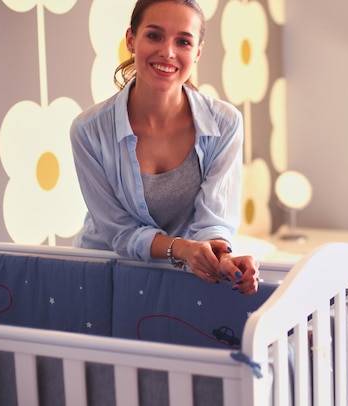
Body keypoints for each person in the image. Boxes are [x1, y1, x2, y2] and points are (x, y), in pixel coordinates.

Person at [70, 0, 259, 295]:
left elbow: (214, 220)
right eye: (154, 35)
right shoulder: (89, 130)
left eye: (183, 41)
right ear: (131, 40)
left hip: (177, 276)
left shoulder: (225, 124)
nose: (168, 52)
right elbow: (119, 232)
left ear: (197, 52)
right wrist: (181, 248)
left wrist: (223, 257)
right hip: (103, 273)